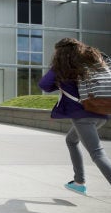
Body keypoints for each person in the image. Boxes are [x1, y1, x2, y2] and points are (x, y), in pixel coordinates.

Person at [38, 38, 111, 195]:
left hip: (83, 116)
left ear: (61, 52)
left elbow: (44, 85)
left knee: (97, 153)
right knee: (71, 140)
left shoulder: (63, 66)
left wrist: (58, 77)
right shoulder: (92, 61)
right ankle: (79, 181)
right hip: (102, 111)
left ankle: (80, 181)